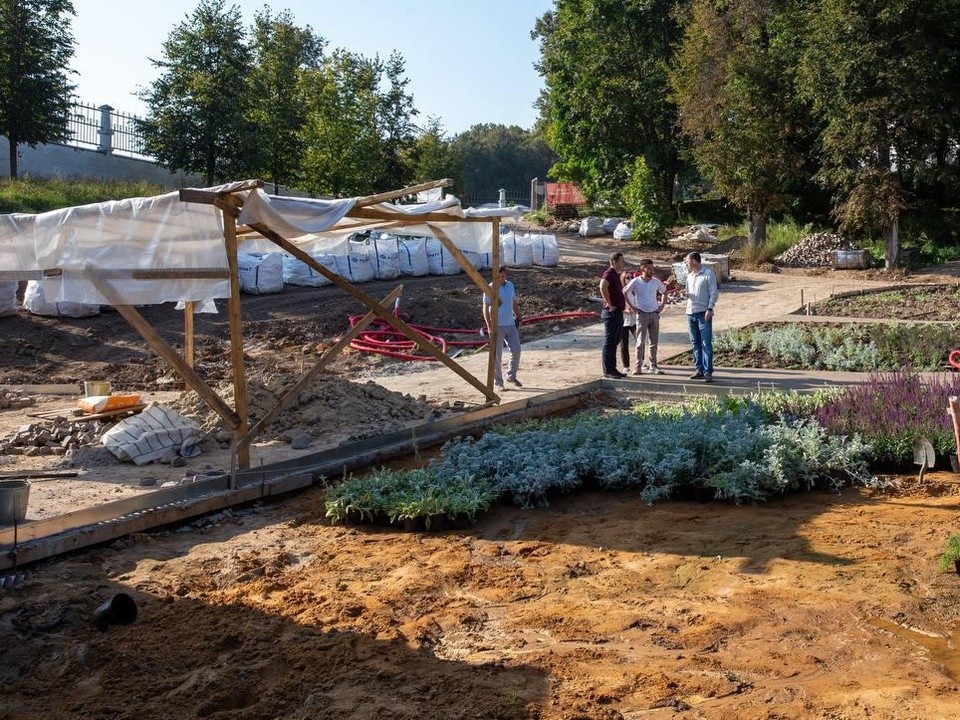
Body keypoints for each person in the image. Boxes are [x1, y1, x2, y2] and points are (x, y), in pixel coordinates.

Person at [623, 258, 667, 374]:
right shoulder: (636, 282)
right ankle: (638, 365)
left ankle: (654, 365)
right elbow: (625, 292)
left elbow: (664, 291)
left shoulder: (655, 281)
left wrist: (661, 305)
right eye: (649, 268)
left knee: (653, 342)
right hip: (642, 314)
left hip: (654, 314)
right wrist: (632, 308)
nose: (652, 270)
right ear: (643, 269)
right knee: (640, 342)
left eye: (653, 268)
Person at [482, 266, 522, 389]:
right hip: (497, 326)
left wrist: (518, 316)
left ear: (506, 275)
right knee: (497, 355)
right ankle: (498, 382)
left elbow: (513, 302)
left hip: (510, 324)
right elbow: (485, 308)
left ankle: (511, 375)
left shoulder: (510, 285)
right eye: (498, 277)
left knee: (516, 350)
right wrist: (489, 326)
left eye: (503, 276)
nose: (501, 279)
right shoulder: (490, 288)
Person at [684, 252, 719, 382]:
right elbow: (688, 293)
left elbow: (713, 293)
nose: (686, 264)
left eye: (687, 261)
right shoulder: (689, 276)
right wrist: (685, 294)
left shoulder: (708, 273)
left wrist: (710, 308)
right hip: (690, 312)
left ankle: (708, 371)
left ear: (694, 261)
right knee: (695, 342)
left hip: (704, 312)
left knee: (706, 343)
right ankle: (699, 369)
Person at [599, 252, 627, 378]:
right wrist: (609, 304)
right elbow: (602, 286)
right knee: (609, 342)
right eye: (621, 261)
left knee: (615, 340)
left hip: (618, 312)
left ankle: (613, 368)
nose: (622, 263)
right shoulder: (609, 274)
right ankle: (608, 370)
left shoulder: (616, 275)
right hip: (611, 313)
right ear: (613, 262)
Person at [619, 268, 637, 373]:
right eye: (627, 278)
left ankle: (641, 362)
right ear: (622, 279)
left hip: (634, 320)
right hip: (624, 320)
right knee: (623, 344)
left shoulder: (634, 291)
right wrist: (625, 310)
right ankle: (626, 366)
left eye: (631, 277)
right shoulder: (620, 292)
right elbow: (616, 306)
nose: (630, 279)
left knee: (640, 341)